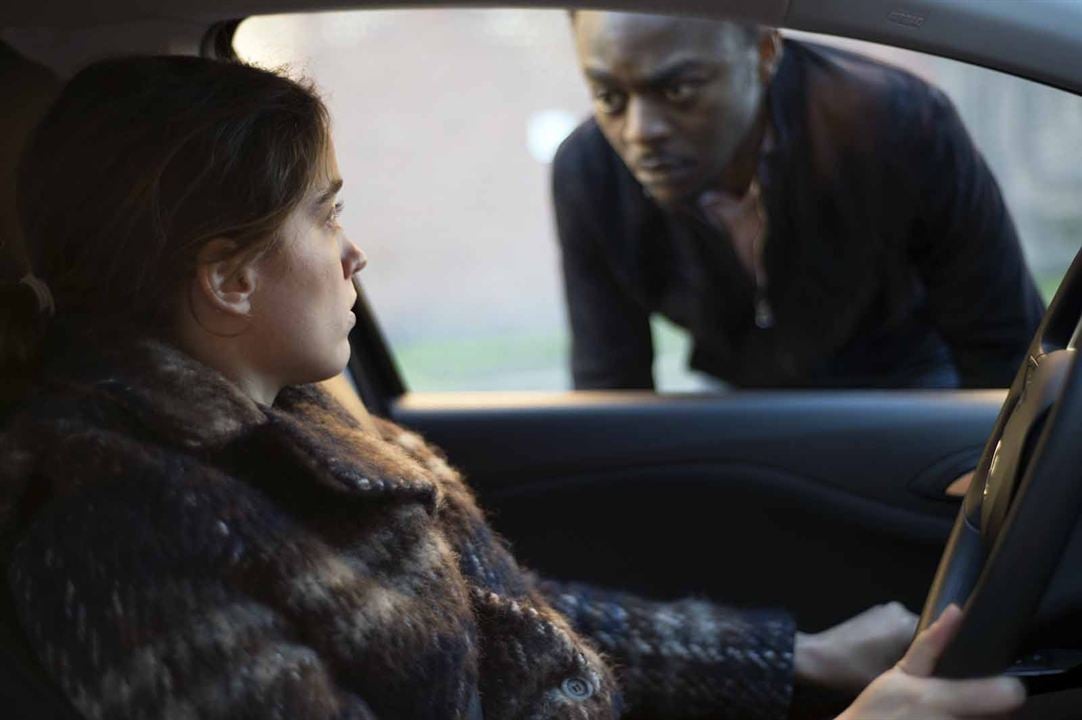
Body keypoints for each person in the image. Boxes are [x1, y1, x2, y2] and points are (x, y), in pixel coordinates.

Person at [0, 56, 1024, 720]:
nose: (352, 254)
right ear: (227, 277)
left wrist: (797, 660)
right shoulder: (121, 530)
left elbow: (498, 618)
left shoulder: (289, 416)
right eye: (324, 215)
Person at [554, 12, 1046, 390]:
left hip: (912, 395)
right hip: (746, 414)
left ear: (765, 50)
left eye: (679, 89)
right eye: (608, 96)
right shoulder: (589, 172)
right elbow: (610, 387)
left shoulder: (898, 124)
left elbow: (1005, 354)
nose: (640, 132)